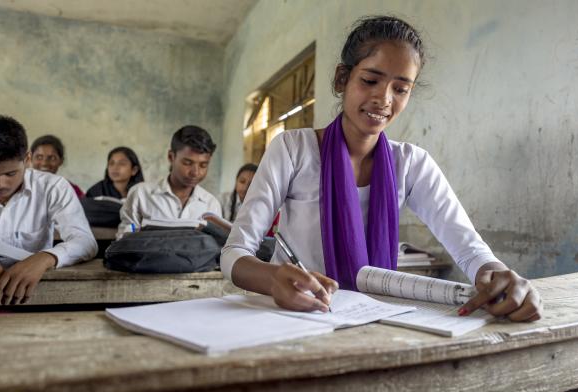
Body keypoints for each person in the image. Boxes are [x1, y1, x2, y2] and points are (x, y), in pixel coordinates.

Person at [221, 16, 542, 321]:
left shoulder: (412, 164)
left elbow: (470, 251)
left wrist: (498, 275)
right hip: (296, 317)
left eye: (400, 88)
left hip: (373, 319)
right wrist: (274, 277)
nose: (383, 98)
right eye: (370, 80)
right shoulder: (293, 149)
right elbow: (235, 252)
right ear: (342, 79)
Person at [0, 115, 97, 305]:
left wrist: (46, 258)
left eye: (10, 174)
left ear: (27, 160)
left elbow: (85, 241)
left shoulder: (53, 187)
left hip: (35, 297)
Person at [117, 125, 222, 238]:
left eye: (203, 165)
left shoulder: (211, 204)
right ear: (171, 157)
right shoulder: (141, 194)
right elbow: (123, 241)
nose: (195, 172)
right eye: (187, 163)